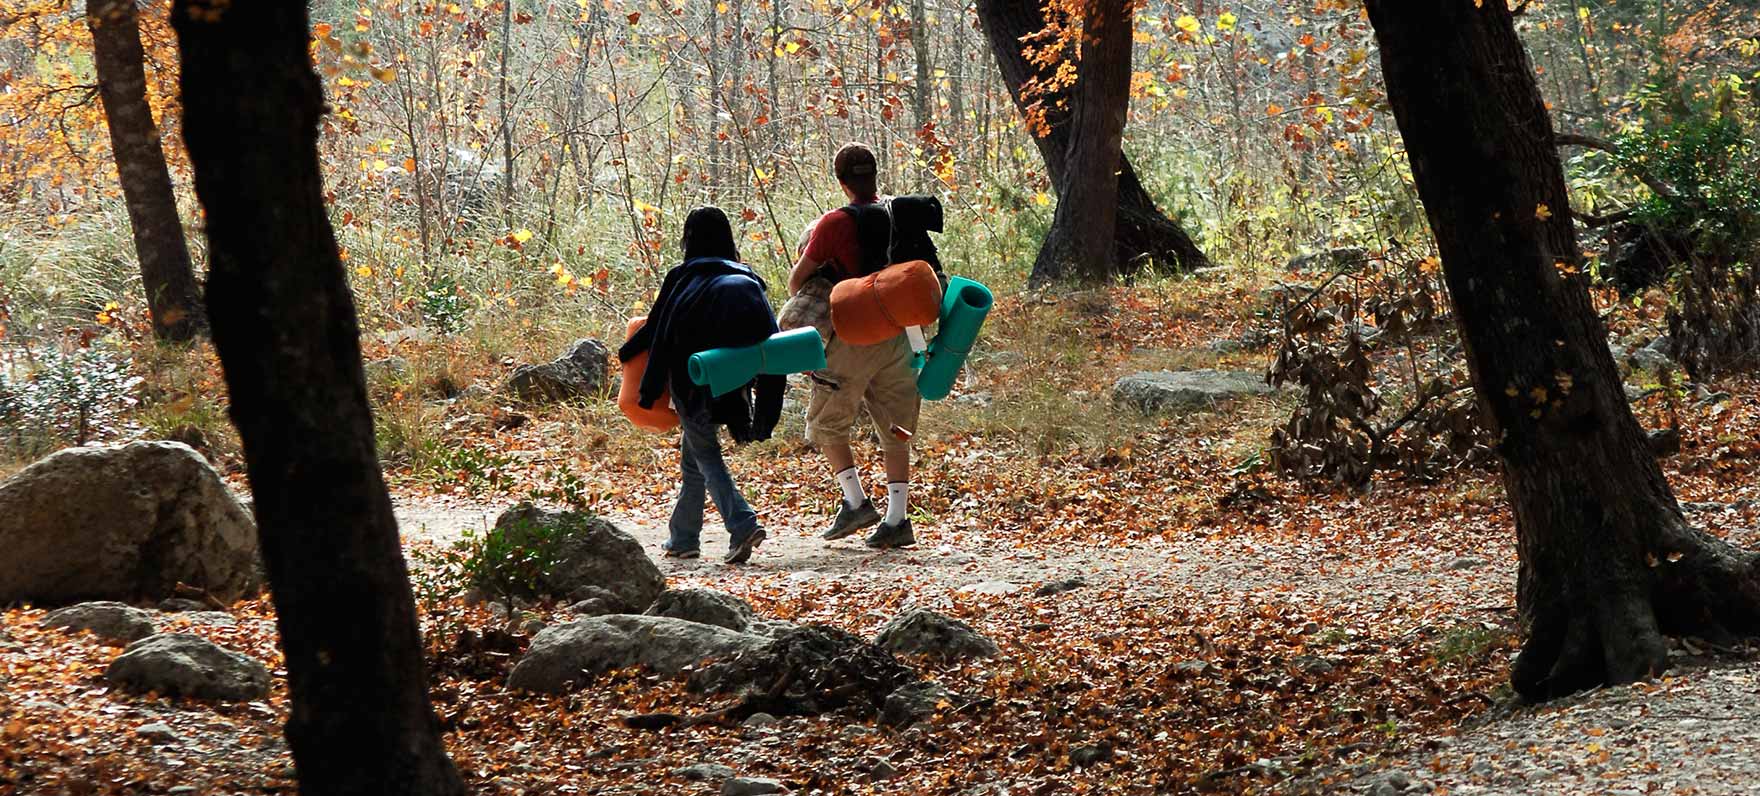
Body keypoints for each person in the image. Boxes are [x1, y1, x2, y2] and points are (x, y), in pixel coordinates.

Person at [786, 143, 932, 549]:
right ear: (874, 176)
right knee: (896, 427)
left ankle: (855, 502)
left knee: (828, 421)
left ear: (841, 181)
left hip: (851, 334)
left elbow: (797, 281)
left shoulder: (831, 224)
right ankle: (897, 520)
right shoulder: (899, 213)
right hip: (902, 333)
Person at [620, 206, 781, 564]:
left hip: (692, 378)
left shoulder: (681, 276)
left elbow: (656, 326)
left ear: (689, 239)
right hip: (735, 377)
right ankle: (683, 537)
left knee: (706, 452)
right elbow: (771, 340)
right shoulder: (747, 277)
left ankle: (741, 523)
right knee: (695, 452)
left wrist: (625, 353)